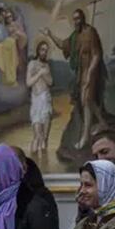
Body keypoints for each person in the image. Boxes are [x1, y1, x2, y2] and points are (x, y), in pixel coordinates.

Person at [44, 9, 108, 149]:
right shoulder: (75, 36)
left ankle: (85, 137)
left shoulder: (90, 32)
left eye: (78, 18)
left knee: (86, 100)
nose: (76, 22)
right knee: (87, 99)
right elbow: (62, 45)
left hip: (92, 69)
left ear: (83, 18)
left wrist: (90, 73)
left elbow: (97, 54)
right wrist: (50, 35)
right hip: (81, 71)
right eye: (74, 19)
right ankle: (102, 122)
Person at [27, 41, 54, 155]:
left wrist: (45, 74)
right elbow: (28, 83)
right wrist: (39, 74)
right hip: (36, 100)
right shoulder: (32, 64)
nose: (44, 52)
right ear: (38, 50)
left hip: (46, 100)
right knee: (37, 135)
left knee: (45, 137)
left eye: (46, 50)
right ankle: (33, 162)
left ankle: (44, 165)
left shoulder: (47, 65)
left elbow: (51, 82)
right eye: (42, 49)